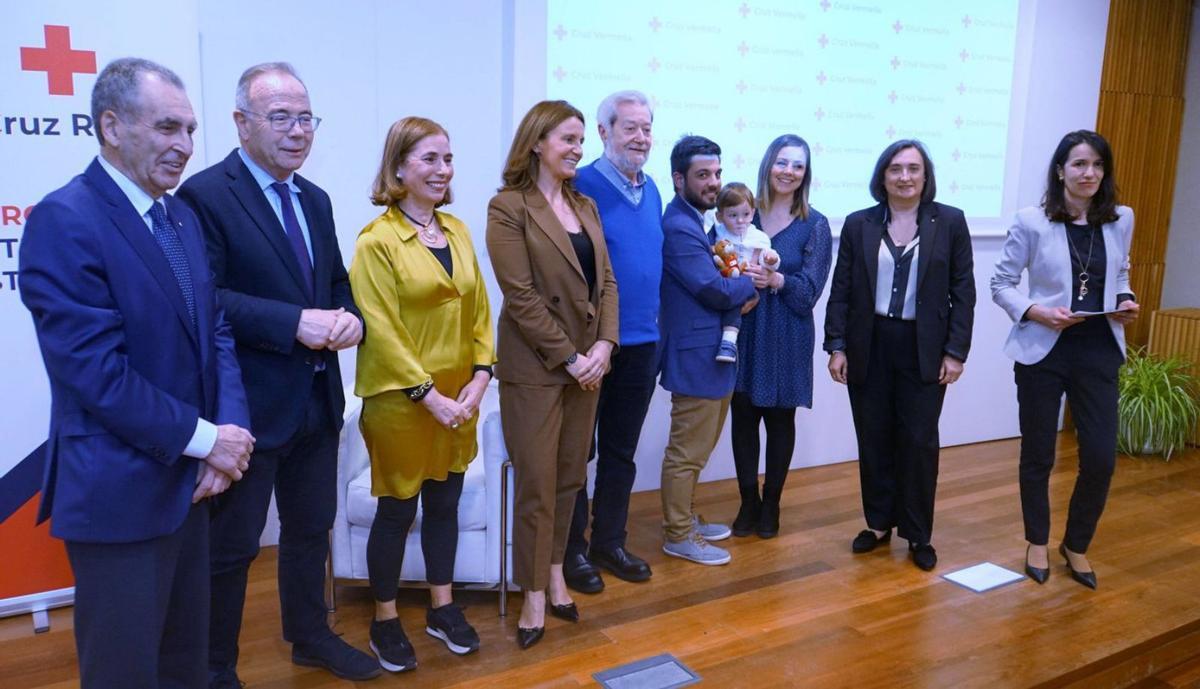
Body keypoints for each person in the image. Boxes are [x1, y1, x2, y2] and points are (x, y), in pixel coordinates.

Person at [19, 57, 254, 689]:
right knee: (124, 672)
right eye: (167, 128)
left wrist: (226, 436)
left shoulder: (179, 216)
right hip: (119, 495)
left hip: (194, 488)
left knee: (186, 666)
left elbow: (217, 331)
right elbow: (95, 374)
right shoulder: (64, 220)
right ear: (112, 126)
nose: (184, 146)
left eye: (190, 130)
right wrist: (209, 440)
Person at [176, 63, 377, 685]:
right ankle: (216, 668)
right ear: (241, 122)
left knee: (310, 529)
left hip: (317, 399)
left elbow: (336, 285)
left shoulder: (313, 198)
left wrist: (349, 319)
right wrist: (295, 321)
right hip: (248, 407)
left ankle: (311, 636)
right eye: (281, 117)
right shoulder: (204, 196)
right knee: (232, 550)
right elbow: (203, 300)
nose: (297, 131)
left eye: (306, 118)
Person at [349, 116, 495, 670]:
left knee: (445, 505)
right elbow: (379, 329)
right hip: (403, 404)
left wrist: (480, 379)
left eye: (448, 159)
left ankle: (442, 606)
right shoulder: (377, 241)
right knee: (396, 510)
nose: (442, 170)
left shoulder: (456, 230)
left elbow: (481, 308)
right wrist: (430, 396)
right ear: (399, 167)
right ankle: (385, 618)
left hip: (461, 400)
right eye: (429, 159)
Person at [486, 100, 618, 649]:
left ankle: (558, 571)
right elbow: (520, 297)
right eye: (568, 138)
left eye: (581, 139)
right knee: (538, 483)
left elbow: (606, 283)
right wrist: (570, 357)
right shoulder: (507, 207)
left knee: (570, 478)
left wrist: (606, 346)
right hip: (539, 367)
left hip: (588, 365)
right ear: (538, 141)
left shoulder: (585, 204)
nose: (578, 148)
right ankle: (533, 593)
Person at [991, 130, 1139, 589]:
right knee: (1038, 453)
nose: (1089, 173)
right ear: (1061, 170)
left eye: (1097, 165)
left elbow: (1120, 271)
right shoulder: (1031, 221)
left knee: (1100, 458)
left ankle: (1075, 544)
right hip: (1043, 349)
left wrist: (1126, 298)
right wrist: (1037, 311)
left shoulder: (1120, 218)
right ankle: (1037, 540)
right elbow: (1002, 284)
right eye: (1079, 164)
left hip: (1098, 348)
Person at [823, 139, 975, 571]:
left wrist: (956, 351)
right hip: (869, 342)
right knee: (873, 437)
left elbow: (963, 292)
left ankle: (918, 533)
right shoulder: (859, 224)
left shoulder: (950, 222)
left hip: (923, 347)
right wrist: (836, 345)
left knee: (919, 442)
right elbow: (842, 291)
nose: (905, 177)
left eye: (913, 169)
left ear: (926, 177)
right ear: (882, 176)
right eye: (896, 168)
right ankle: (877, 523)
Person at [564, 90, 662, 594]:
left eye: (647, 127)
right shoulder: (580, 186)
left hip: (644, 342)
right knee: (580, 450)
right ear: (603, 132)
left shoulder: (655, 191)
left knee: (622, 451)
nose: (641, 137)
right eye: (630, 127)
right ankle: (573, 552)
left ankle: (610, 541)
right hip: (594, 344)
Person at [658, 135, 760, 566]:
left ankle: (684, 520)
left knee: (696, 450)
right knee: (686, 453)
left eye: (717, 173)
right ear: (679, 178)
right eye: (703, 175)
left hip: (709, 356)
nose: (714, 183)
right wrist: (750, 283)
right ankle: (678, 534)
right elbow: (712, 287)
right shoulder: (679, 226)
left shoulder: (695, 220)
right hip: (697, 356)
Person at [729, 135, 833, 539]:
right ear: (768, 164)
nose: (788, 172)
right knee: (742, 417)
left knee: (779, 420)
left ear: (805, 174)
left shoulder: (816, 224)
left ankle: (771, 504)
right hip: (744, 327)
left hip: (788, 331)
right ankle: (747, 502)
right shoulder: (741, 214)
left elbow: (809, 291)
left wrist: (776, 279)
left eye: (798, 166)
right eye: (782, 163)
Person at [710, 182, 779, 364]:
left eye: (746, 214)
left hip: (747, 285)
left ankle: (728, 342)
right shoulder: (717, 232)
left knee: (736, 300)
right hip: (723, 281)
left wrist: (771, 260)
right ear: (720, 216)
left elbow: (767, 261)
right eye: (733, 215)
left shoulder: (759, 237)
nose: (740, 221)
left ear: (753, 213)